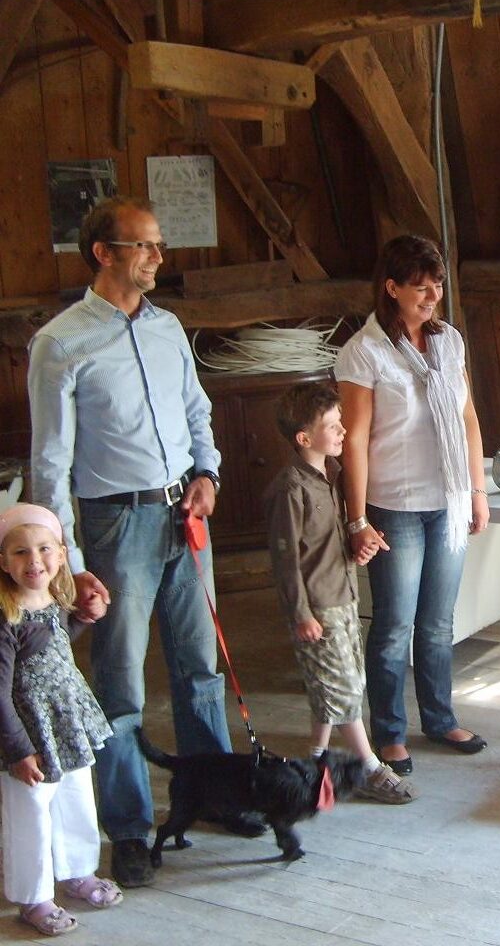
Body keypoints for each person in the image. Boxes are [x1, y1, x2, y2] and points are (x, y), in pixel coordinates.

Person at [27, 197, 262, 891]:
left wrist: (210, 472)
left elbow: (197, 410)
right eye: (145, 246)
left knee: (200, 669)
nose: (160, 257)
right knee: (120, 684)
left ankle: (213, 795)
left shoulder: (167, 328)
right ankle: (128, 829)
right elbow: (49, 463)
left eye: (159, 244)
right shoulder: (60, 343)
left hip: (183, 515)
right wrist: (66, 563)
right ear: (103, 252)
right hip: (113, 525)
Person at [335, 234, 489, 777]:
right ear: (392, 288)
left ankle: (440, 718)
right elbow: (354, 440)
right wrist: (357, 518)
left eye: (437, 287)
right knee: (395, 624)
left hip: (447, 499)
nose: (430, 299)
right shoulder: (364, 351)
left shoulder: (449, 343)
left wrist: (477, 488)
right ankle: (390, 733)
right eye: (419, 289)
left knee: (438, 623)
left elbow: (467, 418)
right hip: (394, 504)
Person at [263, 381, 415, 804]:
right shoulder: (291, 489)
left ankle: (314, 761)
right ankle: (368, 766)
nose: (343, 432)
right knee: (344, 688)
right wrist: (301, 613)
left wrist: (358, 549)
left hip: (344, 596)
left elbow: (330, 543)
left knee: (335, 683)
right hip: (318, 607)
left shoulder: (332, 476)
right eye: (332, 426)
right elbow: (286, 560)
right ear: (304, 438)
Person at [0, 504, 123, 936]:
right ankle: (33, 896)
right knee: (31, 811)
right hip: (29, 731)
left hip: (66, 721)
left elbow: (52, 646)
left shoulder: (54, 600)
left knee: (75, 798)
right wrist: (17, 749)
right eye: (19, 552)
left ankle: (77, 871)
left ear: (61, 554)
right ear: (2, 561)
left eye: (44, 549)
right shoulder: (7, 615)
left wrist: (82, 618)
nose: (34, 561)